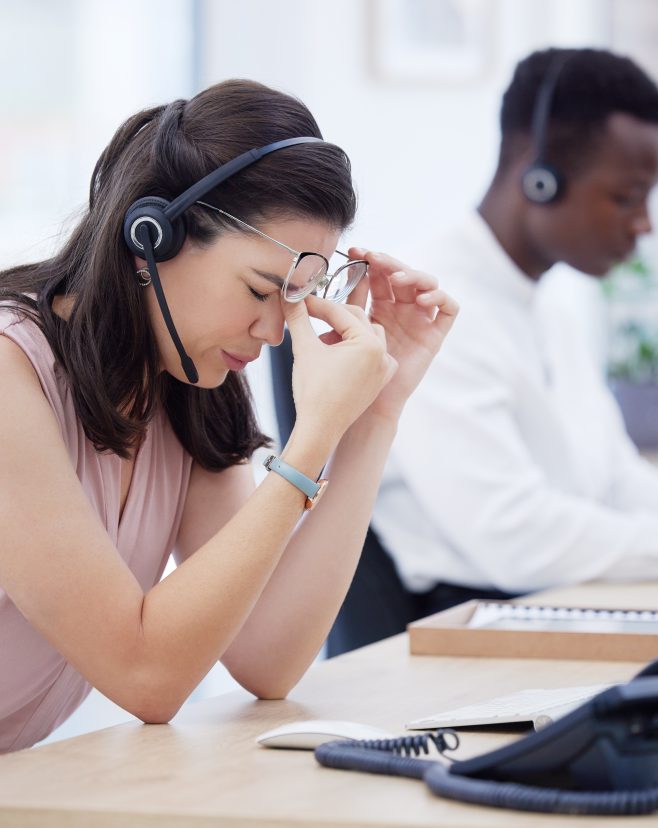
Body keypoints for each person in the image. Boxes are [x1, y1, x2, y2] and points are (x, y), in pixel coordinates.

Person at [0, 79, 458, 752]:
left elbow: (267, 656)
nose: (275, 330)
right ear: (149, 237)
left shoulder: (191, 384)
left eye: (297, 297)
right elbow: (146, 673)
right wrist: (309, 444)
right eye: (259, 289)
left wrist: (372, 418)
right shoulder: (12, 375)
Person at [328, 47, 658, 656]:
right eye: (627, 196)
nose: (645, 223)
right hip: (456, 637)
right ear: (537, 175)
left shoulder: (547, 304)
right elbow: (513, 535)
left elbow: (614, 476)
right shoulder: (428, 306)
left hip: (538, 612)